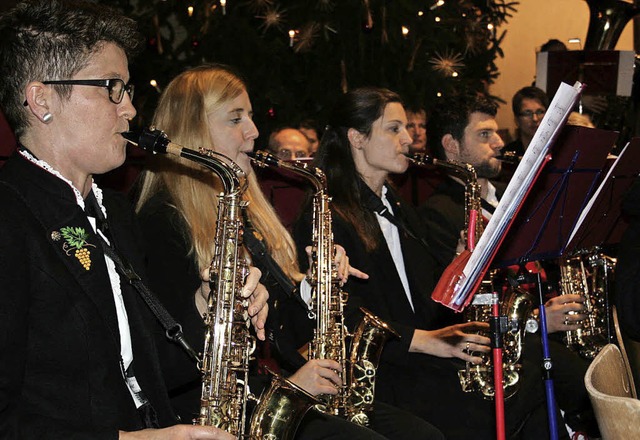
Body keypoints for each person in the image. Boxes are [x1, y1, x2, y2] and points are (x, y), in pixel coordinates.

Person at [0, 1, 269, 439]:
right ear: (41, 100)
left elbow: (146, 374)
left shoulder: (116, 214)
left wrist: (209, 307)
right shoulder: (9, 220)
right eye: (112, 87)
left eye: (126, 90)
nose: (129, 110)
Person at [134, 64, 443, 440]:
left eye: (249, 115)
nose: (253, 131)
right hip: (221, 410)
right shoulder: (162, 220)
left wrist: (315, 282)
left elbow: (284, 322)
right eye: (236, 118)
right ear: (194, 129)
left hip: (276, 390)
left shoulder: (243, 207)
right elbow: (176, 359)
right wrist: (293, 386)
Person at [292, 86, 568, 439]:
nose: (408, 139)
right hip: (378, 370)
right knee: (502, 397)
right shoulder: (325, 214)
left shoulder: (396, 203)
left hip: (417, 355)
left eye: (406, 128)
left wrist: (459, 264)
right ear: (356, 138)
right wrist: (426, 340)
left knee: (530, 376)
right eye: (393, 129)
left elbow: (424, 291)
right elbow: (336, 314)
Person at [419, 94, 599, 438]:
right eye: (484, 135)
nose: (499, 142)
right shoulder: (438, 212)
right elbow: (462, 313)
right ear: (451, 146)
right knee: (584, 381)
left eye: (496, 132)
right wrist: (536, 324)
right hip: (503, 344)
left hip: (537, 330)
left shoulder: (506, 195)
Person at [504, 86, 549, 157]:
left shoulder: (560, 152)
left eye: (540, 112)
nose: (535, 119)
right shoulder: (507, 156)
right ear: (517, 120)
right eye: (527, 113)